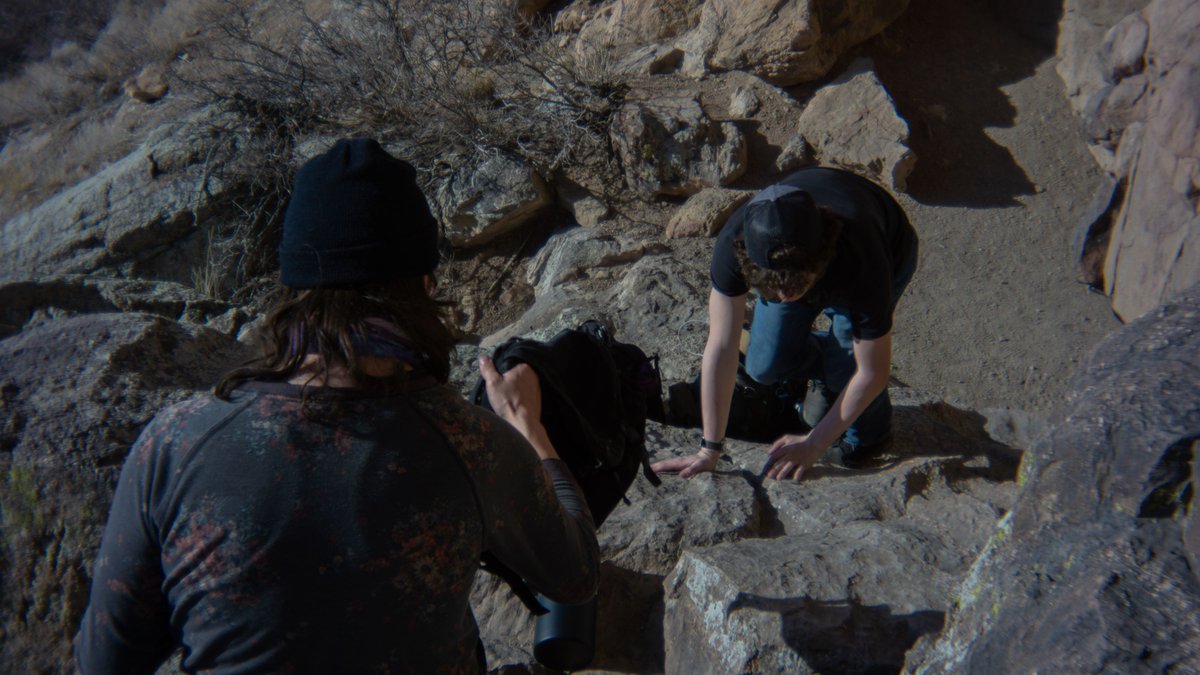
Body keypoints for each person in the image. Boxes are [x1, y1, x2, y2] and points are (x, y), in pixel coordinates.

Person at [76, 138, 599, 673]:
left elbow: (105, 660)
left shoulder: (176, 443)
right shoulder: (470, 442)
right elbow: (576, 574)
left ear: (295, 285)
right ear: (423, 283)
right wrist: (526, 426)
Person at [653, 166, 919, 481]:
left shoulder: (862, 261)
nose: (785, 296)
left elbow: (872, 373)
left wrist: (815, 443)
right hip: (811, 261)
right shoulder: (733, 244)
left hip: (885, 248)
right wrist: (709, 449)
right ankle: (825, 367)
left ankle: (870, 435)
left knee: (846, 370)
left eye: (796, 287)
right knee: (762, 366)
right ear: (748, 261)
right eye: (771, 288)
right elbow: (722, 345)